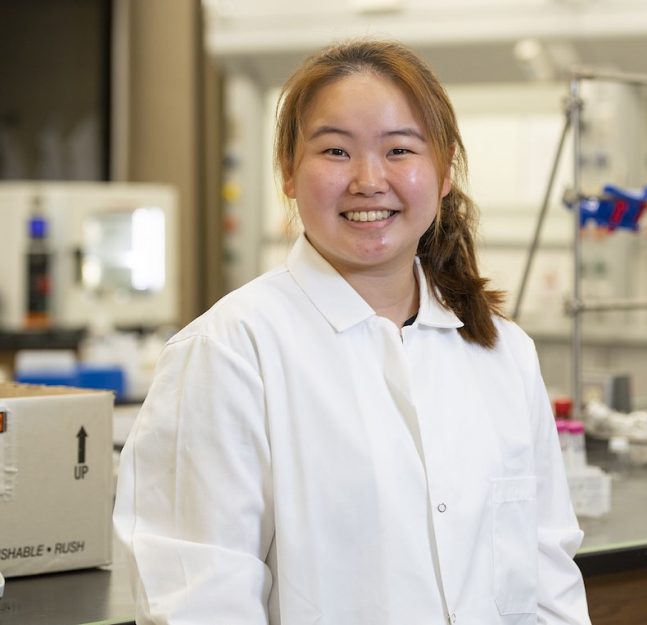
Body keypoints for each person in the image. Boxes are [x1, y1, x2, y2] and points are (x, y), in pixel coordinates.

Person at [113, 40, 591, 624]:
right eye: (336, 150)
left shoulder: (504, 352)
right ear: (289, 173)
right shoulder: (230, 351)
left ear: (443, 173)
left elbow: (548, 581)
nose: (368, 180)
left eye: (399, 150)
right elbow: (199, 601)